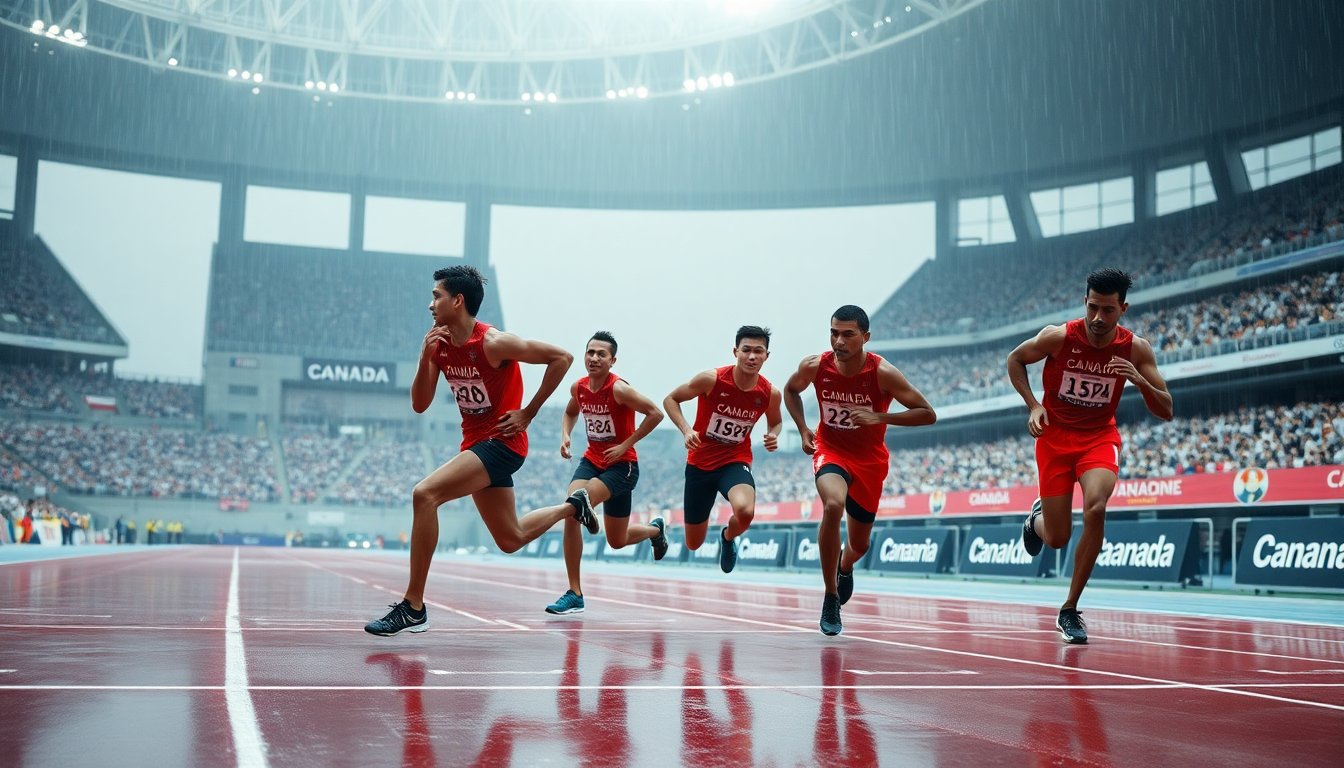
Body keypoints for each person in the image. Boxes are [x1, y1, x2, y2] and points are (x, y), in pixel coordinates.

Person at [364, 265, 578, 637]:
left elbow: (562, 358)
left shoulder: (493, 343)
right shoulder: (440, 345)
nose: (430, 304)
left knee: (425, 494)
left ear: (457, 301)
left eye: (436, 296)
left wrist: (529, 412)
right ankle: (572, 507)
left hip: (502, 444)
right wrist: (424, 355)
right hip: (476, 444)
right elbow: (419, 404)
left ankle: (413, 606)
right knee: (509, 539)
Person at [1007, 267, 1172, 643]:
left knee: (1096, 507)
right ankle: (1035, 522)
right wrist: (1033, 405)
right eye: (1092, 308)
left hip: (1098, 438)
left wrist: (1139, 380)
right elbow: (1015, 360)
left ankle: (1069, 609)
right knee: (1058, 538)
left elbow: (1166, 409)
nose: (1098, 318)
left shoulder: (1136, 349)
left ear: (1123, 309)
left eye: (1108, 311)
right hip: (1054, 440)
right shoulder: (1059, 336)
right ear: (1085, 302)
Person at [783, 305, 936, 636]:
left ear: (865, 337)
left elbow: (927, 413)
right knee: (833, 505)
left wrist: (880, 417)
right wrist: (803, 428)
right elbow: (791, 390)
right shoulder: (815, 365)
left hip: (869, 460)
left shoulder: (883, 373)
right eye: (834, 333)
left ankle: (845, 565)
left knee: (860, 545)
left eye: (848, 334)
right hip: (830, 450)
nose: (839, 341)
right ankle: (830, 595)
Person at [544, 332, 668, 615]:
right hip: (592, 461)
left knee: (598, 524)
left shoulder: (619, 389)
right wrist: (565, 435)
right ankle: (575, 593)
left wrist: (625, 444)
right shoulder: (579, 387)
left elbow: (655, 414)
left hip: (622, 467)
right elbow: (570, 412)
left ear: (613, 360)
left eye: (601, 354)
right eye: (590, 352)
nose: (594, 358)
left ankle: (649, 529)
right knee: (580, 515)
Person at [662, 326, 782, 574]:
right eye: (746, 350)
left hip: (734, 460)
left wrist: (773, 434)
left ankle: (727, 538)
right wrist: (686, 430)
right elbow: (670, 400)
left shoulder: (770, 393)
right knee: (693, 542)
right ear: (735, 351)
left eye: (758, 351)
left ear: (766, 356)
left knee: (745, 511)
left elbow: (776, 421)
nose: (751, 357)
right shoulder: (712, 379)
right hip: (700, 464)